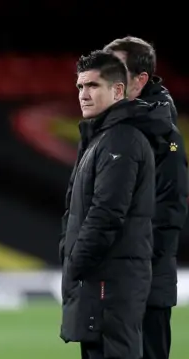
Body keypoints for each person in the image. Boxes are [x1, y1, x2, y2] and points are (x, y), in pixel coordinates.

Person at [60, 50, 164, 359]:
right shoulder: (102, 138)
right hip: (101, 282)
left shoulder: (122, 141)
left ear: (118, 91)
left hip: (110, 284)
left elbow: (106, 214)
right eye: (80, 87)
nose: (84, 94)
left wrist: (74, 263)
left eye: (93, 86)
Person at [104, 37, 189, 359]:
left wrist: (134, 263)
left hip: (143, 280)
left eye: (116, 70)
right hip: (119, 276)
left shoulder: (159, 134)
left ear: (140, 80)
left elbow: (170, 208)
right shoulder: (119, 124)